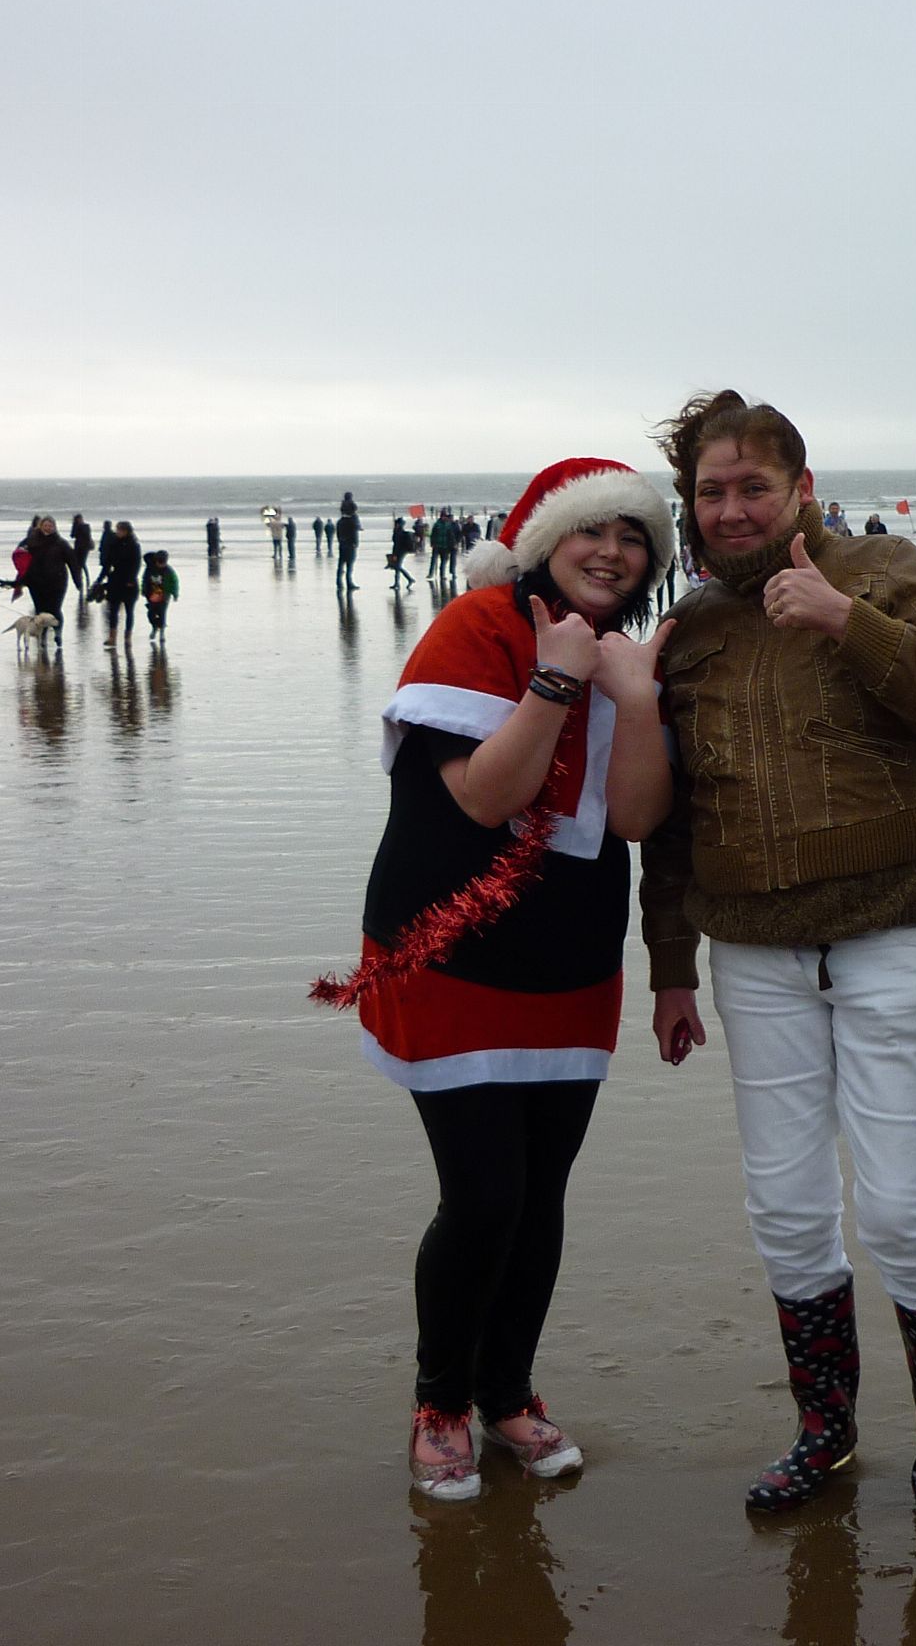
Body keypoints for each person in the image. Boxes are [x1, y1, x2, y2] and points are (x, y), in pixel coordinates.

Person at [641, 390, 916, 1519]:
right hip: (754, 952)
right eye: (712, 492)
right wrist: (668, 967)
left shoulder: (880, 568)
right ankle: (825, 1433)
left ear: (802, 488)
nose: (733, 510)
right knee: (788, 1209)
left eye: (755, 487)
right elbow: (671, 820)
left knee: (898, 1205)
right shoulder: (691, 629)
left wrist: (848, 619)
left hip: (898, 927)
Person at [324, 458, 676, 1503]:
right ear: (543, 542)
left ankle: (508, 1394)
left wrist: (637, 698)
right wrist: (557, 680)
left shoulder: (627, 655)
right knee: (484, 1197)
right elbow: (486, 797)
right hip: (453, 949)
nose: (612, 552)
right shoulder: (474, 626)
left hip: (571, 959)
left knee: (540, 1199)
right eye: (592, 530)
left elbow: (635, 819)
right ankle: (440, 1403)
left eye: (634, 537)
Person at [22, 515, 75, 632]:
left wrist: (78, 581)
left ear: (55, 527)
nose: (48, 528)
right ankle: (42, 635)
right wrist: (20, 580)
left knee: (55, 609)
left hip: (57, 582)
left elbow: (72, 562)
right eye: (45, 525)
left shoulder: (61, 543)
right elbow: (20, 557)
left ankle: (58, 633)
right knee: (40, 611)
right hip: (36, 582)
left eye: (50, 526)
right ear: (40, 526)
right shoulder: (31, 541)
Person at [97, 520, 142, 647]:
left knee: (129, 611)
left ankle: (128, 638)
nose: (118, 532)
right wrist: (99, 580)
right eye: (117, 530)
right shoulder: (114, 544)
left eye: (120, 530)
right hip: (115, 580)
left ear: (127, 531)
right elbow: (107, 564)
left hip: (129, 582)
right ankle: (112, 637)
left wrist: (131, 579)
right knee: (113, 610)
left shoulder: (134, 545)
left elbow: (137, 564)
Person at [141, 549, 180, 641]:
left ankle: (162, 632)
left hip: (164, 596)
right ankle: (155, 627)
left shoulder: (169, 570)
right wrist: (143, 590)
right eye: (159, 563)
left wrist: (175, 593)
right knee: (151, 613)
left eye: (163, 563)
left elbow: (174, 582)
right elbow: (145, 580)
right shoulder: (150, 569)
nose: (161, 565)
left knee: (162, 613)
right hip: (151, 595)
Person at [334, 494, 361, 594]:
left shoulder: (340, 522)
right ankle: (349, 583)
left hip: (342, 544)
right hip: (350, 545)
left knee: (341, 563)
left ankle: (339, 582)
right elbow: (355, 533)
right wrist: (355, 543)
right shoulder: (353, 521)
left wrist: (341, 541)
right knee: (349, 565)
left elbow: (338, 535)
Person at [388, 516, 417, 592]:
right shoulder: (398, 531)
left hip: (400, 552)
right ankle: (397, 583)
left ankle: (409, 579)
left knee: (397, 566)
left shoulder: (398, 532)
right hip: (401, 551)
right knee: (397, 567)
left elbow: (397, 545)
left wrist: (394, 554)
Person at [69, 514, 95, 596]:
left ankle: (85, 578)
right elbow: (72, 535)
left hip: (84, 547)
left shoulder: (86, 526)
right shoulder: (78, 526)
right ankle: (81, 578)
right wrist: (76, 527)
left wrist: (77, 527)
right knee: (79, 563)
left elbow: (87, 536)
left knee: (82, 563)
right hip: (79, 547)